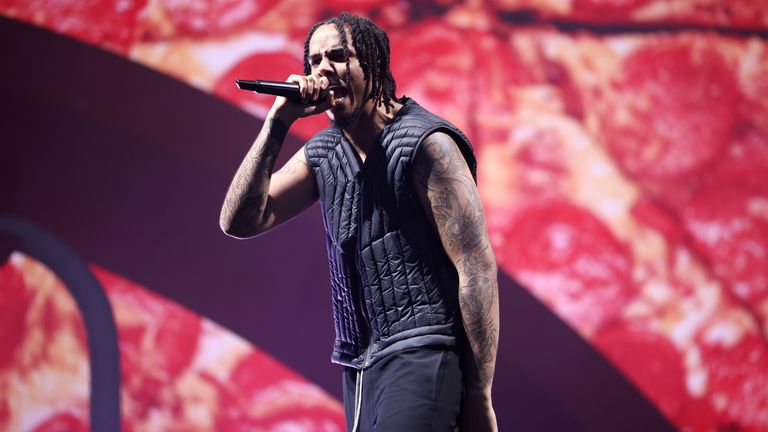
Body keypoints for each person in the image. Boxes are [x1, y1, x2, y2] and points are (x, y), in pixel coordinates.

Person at [219, 12, 499, 432]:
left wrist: (479, 395)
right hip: (361, 365)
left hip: (426, 349)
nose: (323, 70)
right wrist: (277, 124)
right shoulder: (325, 153)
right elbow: (240, 220)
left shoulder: (426, 144)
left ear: (373, 65)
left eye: (337, 56)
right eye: (314, 61)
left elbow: (475, 266)